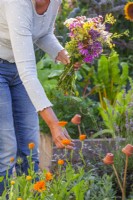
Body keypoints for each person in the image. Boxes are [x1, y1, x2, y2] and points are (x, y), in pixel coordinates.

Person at [0, 0, 74, 195]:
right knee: (6, 149)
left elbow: (44, 33)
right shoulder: (17, 3)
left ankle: (31, 197)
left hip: (18, 68)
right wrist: (53, 124)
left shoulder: (54, 1)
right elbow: (29, 72)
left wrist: (61, 53)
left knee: (29, 147)